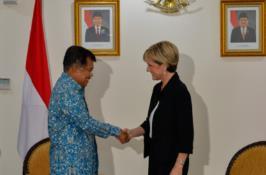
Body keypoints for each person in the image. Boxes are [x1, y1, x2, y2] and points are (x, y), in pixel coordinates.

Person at [48, 45, 128, 175]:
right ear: (75, 69)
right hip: (71, 166)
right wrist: (116, 132)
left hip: (77, 164)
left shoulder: (71, 87)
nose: (90, 75)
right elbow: (86, 123)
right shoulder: (68, 90)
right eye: (89, 70)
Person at [127, 41, 194, 175]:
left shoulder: (180, 91)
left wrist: (179, 167)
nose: (147, 69)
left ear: (164, 65)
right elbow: (150, 123)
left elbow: (186, 134)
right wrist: (130, 133)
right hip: (156, 158)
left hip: (173, 163)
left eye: (150, 65)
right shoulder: (157, 89)